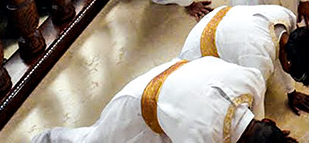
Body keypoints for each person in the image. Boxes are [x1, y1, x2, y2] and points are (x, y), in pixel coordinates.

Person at [31, 56, 294, 143]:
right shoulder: (203, 136)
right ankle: (48, 138)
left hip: (177, 82)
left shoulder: (252, 81)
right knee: (94, 141)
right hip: (141, 102)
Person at [177, 4, 309, 116]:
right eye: (292, 72)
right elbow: (255, 107)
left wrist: (291, 92)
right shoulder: (259, 62)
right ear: (288, 63)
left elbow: (288, 52)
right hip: (199, 51)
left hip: (218, 19)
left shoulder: (287, 16)